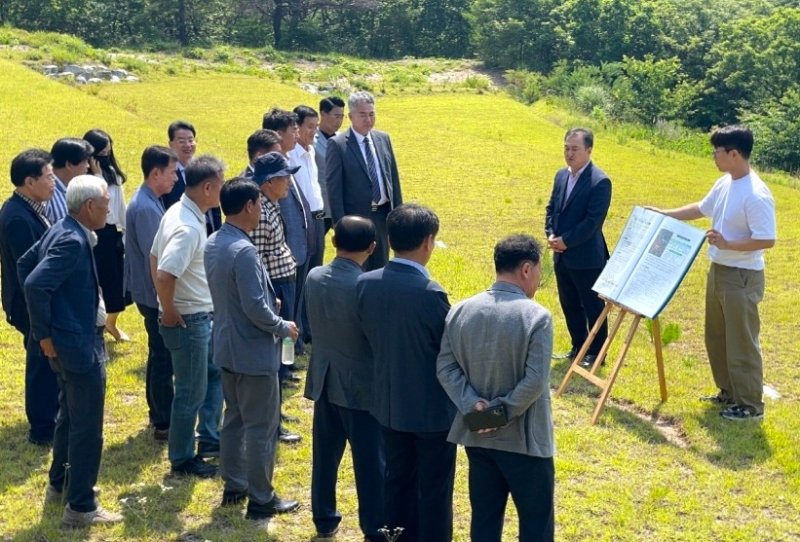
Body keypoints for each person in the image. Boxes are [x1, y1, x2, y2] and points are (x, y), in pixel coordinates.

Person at [647, 125, 776, 421]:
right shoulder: (725, 183)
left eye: (717, 152)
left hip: (742, 276)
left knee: (741, 341)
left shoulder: (757, 194)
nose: (714, 157)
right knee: (716, 337)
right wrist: (666, 214)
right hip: (718, 270)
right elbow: (701, 208)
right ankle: (728, 393)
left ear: (734, 154)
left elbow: (767, 238)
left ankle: (750, 405)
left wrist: (729, 243)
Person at [18, 175, 123, 528]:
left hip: (68, 344)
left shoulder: (62, 228)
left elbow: (24, 265)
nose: (109, 208)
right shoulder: (72, 241)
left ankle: (59, 484)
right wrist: (45, 333)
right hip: (78, 347)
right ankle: (80, 506)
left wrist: (51, 328)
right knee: (87, 428)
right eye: (106, 203)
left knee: (69, 416)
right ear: (90, 206)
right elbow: (34, 283)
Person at [437, 234, 555, 542]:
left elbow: (446, 368)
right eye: (539, 271)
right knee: (536, 527)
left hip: (478, 439)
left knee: (485, 524)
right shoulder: (536, 317)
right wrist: (498, 414)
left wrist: (474, 407)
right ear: (526, 269)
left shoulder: (461, 310)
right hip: (526, 442)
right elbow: (535, 381)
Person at [356, 204, 455, 542]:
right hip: (431, 411)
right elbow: (448, 351)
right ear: (428, 242)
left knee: (396, 482)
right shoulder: (430, 293)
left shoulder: (366, 284)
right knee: (434, 490)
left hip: (387, 403)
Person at [204, 178, 300, 521]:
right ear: (248, 206)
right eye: (259, 204)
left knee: (234, 420)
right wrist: (282, 326)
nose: (262, 210)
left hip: (227, 348)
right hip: (253, 353)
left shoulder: (215, 241)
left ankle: (235, 485)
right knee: (261, 427)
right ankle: (261, 498)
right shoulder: (244, 250)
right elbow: (256, 309)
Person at [304, 216, 385, 541]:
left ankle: (324, 517)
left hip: (325, 379)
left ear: (334, 242)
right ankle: (375, 527)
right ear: (372, 247)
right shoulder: (366, 286)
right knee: (370, 464)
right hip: (361, 388)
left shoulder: (314, 276)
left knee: (325, 458)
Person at [151, 155, 225, 477]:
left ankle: (209, 438)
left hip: (199, 317)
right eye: (221, 185)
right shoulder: (188, 226)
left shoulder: (176, 212)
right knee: (190, 392)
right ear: (208, 187)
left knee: (210, 379)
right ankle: (182, 458)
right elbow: (165, 273)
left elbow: (153, 256)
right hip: (190, 320)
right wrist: (168, 311)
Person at [0, 149, 58, 446]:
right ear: (29, 181)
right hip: (29, 304)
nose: (54, 183)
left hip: (34, 301)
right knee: (40, 363)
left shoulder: (31, 207)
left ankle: (49, 416)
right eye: (48, 177)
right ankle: (42, 427)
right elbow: (29, 271)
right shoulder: (18, 218)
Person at [544, 127, 612, 367]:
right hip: (561, 255)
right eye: (566, 148)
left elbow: (592, 222)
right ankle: (578, 345)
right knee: (569, 302)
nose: (569, 154)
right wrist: (551, 233)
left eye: (574, 149)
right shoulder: (561, 175)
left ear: (589, 150)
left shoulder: (600, 181)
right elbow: (552, 208)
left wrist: (567, 240)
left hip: (586, 257)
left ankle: (596, 353)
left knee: (592, 306)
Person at [125, 146, 179, 441]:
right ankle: (162, 421)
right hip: (153, 295)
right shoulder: (146, 208)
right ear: (155, 173)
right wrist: (166, 303)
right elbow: (155, 259)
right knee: (162, 359)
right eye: (171, 172)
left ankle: (158, 414)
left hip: (150, 293)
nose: (175, 179)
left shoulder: (150, 201)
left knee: (158, 355)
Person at [248, 151, 303, 444]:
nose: (289, 183)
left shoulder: (270, 206)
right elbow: (256, 260)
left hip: (284, 284)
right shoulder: (260, 212)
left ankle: (276, 413)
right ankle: (272, 420)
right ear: (269, 182)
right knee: (277, 357)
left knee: (285, 353)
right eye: (285, 178)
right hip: (276, 289)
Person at [327, 91, 403, 271]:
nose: (368, 119)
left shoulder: (383, 139)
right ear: (351, 116)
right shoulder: (338, 145)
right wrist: (340, 227)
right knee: (358, 271)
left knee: (381, 268)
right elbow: (334, 190)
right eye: (362, 115)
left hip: (383, 217)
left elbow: (393, 179)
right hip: (356, 220)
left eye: (371, 114)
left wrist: (399, 216)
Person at [263, 107, 314, 357]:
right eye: (292, 130)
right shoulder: (269, 172)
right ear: (276, 134)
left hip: (297, 250)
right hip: (280, 258)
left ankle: (293, 351)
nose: (297, 135)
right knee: (282, 312)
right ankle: (285, 361)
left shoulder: (287, 161)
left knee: (294, 308)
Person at [83, 129, 129, 342]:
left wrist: (126, 231)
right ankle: (97, 326)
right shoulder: (83, 180)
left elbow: (117, 207)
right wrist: (97, 176)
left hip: (110, 233)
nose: (104, 158)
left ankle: (111, 322)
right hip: (91, 232)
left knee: (115, 282)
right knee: (95, 282)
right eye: (100, 154)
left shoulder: (114, 175)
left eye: (108, 153)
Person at [290, 104, 326, 346]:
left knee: (314, 274)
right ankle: (298, 331)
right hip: (302, 220)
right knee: (300, 277)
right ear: (297, 128)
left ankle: (309, 326)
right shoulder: (291, 154)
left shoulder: (311, 150)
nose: (314, 132)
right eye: (310, 127)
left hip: (318, 218)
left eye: (316, 127)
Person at [162, 120, 221, 235]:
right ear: (170, 144)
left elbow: (215, 207)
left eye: (191, 140)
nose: (188, 145)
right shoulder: (168, 174)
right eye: (181, 141)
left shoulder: (205, 168)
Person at [314, 96, 346, 233]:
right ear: (323, 114)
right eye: (336, 116)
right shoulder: (310, 139)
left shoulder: (343, 139)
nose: (339, 121)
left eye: (342, 117)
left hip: (341, 204)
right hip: (320, 207)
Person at [47, 138, 94, 224]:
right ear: (69, 164)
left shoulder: (75, 187)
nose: (88, 166)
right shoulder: (47, 195)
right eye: (84, 162)